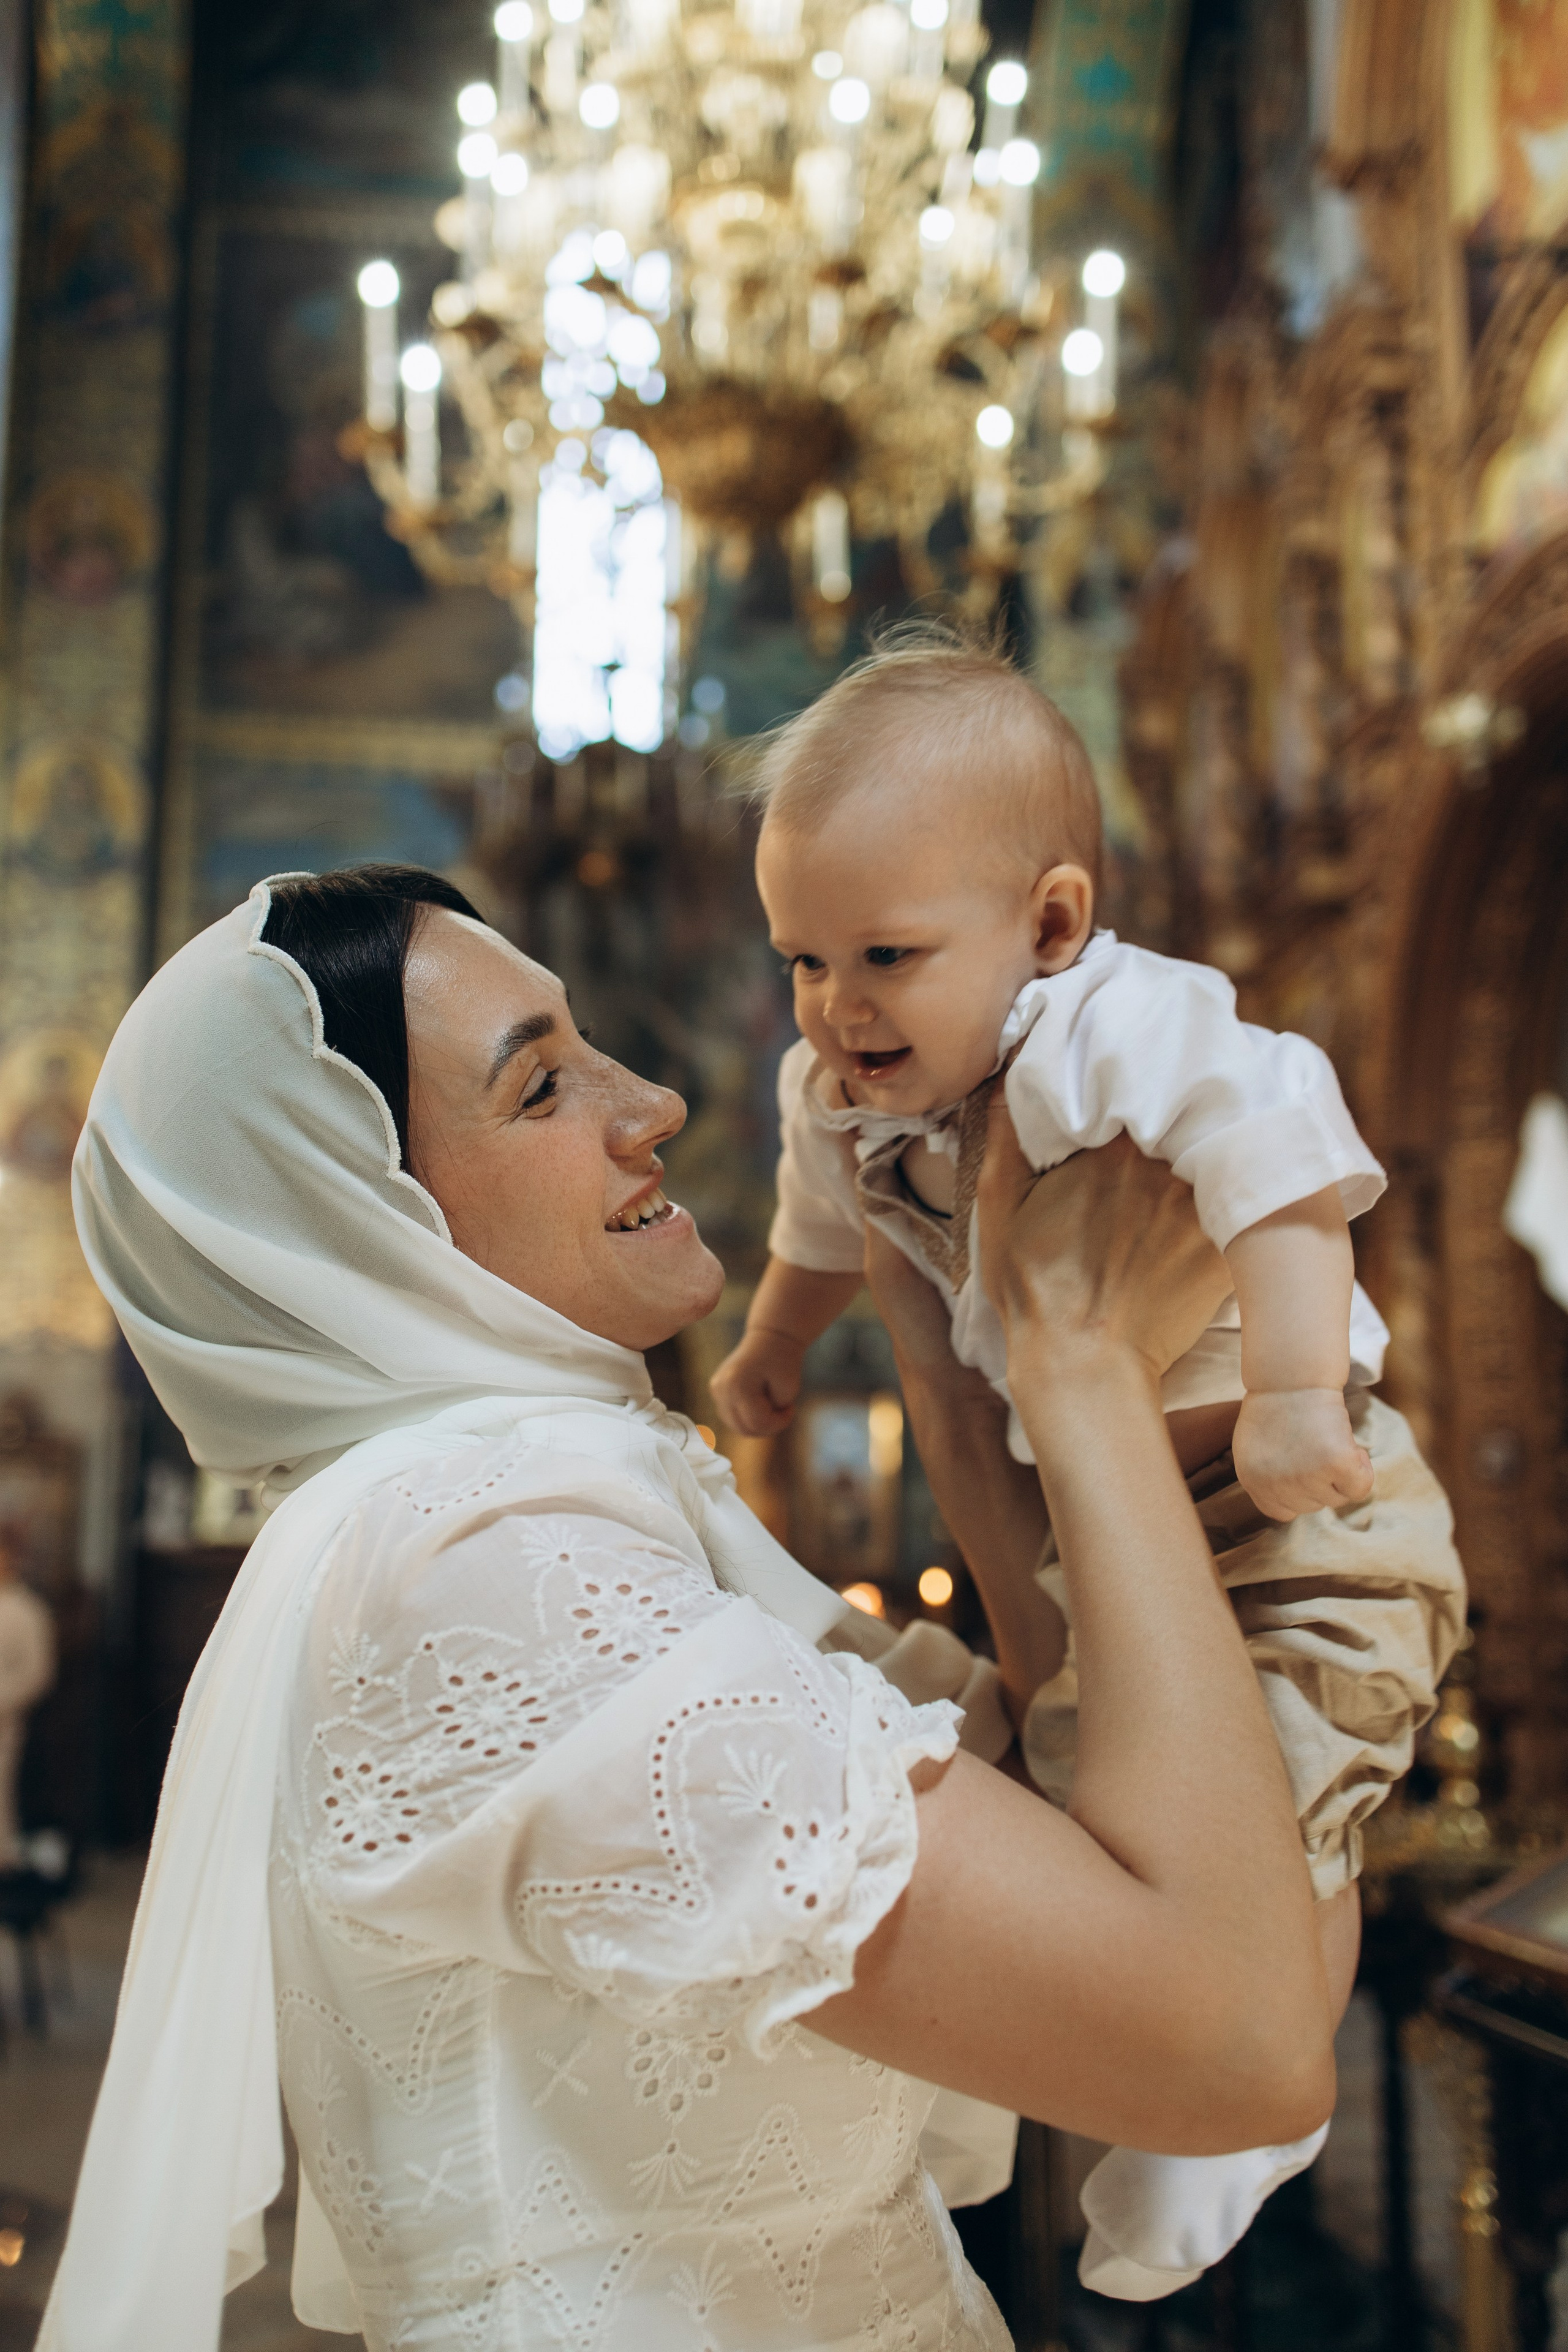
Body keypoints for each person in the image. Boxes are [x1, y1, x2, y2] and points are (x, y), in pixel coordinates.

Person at [44, 865, 1338, 2352]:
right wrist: (1086, 1369)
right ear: (358, 1224)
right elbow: (1235, 2039)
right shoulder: (474, 1569)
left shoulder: (548, 1515)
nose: (650, 1098)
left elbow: (1069, 1782)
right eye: (540, 1086)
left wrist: (942, 1331)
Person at [710, 633, 1465, 2296]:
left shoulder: (1123, 1027)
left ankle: (1257, 2098)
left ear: (1047, 926)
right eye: (801, 960)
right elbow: (814, 1234)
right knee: (1097, 1788)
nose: (837, 1008)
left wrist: (1284, 1395)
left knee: (1284, 1807)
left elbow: (1289, 1158)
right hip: (1108, 1532)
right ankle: (1182, 2069)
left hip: (1298, 1522)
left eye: (885, 956)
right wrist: (775, 1346)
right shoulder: (840, 1093)